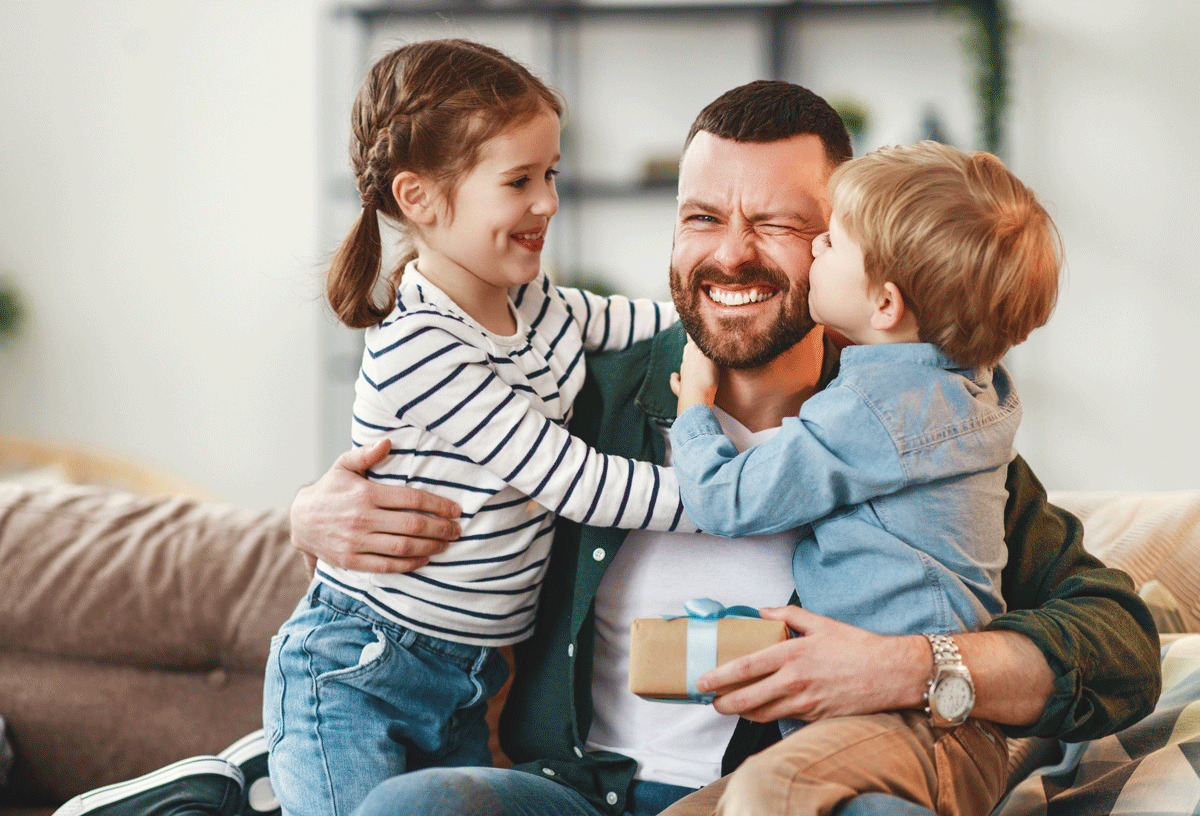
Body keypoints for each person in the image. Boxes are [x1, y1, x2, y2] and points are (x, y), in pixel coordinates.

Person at [62, 80, 1159, 816]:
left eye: (780, 224)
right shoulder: (577, 390)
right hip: (575, 793)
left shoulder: (917, 437)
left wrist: (912, 667)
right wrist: (312, 513)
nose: (731, 253)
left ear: (853, 255)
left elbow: (1117, 641)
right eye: (700, 217)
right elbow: (416, 464)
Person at [266, 39, 695, 816]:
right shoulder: (421, 346)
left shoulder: (538, 303)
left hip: (467, 677)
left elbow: (662, 322)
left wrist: (770, 314)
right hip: (362, 667)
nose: (547, 202)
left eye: (551, 175)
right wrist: (726, 498)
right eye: (518, 181)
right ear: (421, 198)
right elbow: (570, 478)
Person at [661, 140, 1062, 816]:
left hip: (920, 730)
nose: (815, 250)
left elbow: (727, 501)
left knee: (771, 789)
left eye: (830, 243)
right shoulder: (965, 390)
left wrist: (694, 410)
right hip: (910, 732)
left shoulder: (877, 409)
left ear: (884, 304)